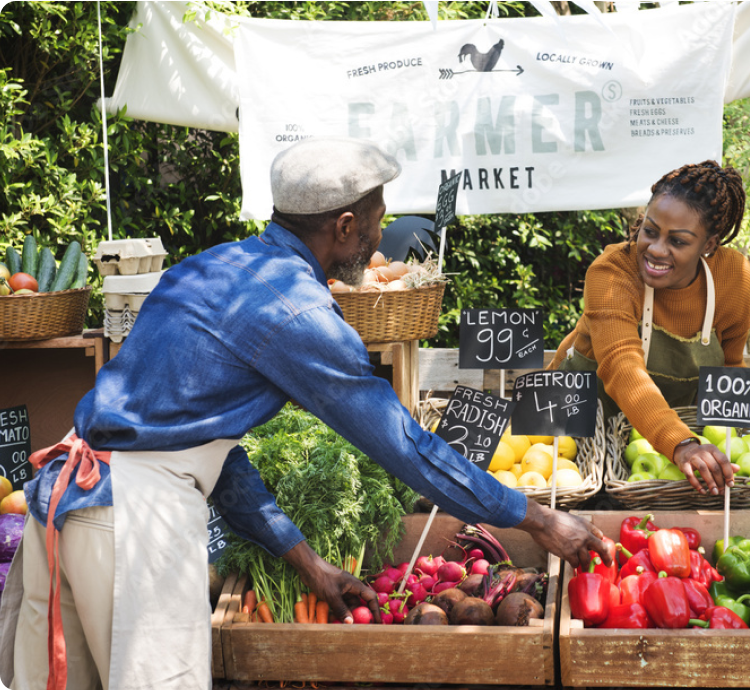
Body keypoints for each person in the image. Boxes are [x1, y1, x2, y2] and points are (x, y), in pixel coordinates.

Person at [0, 136, 613, 690]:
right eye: (377, 221)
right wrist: (535, 519)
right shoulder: (300, 315)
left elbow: (212, 453)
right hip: (131, 522)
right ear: (345, 225)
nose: (380, 236)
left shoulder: (210, 268)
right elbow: (404, 445)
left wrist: (308, 561)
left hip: (64, 504)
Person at [549, 160, 750, 497]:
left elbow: (729, 367)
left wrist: (740, 447)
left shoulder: (735, 277)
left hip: (654, 448)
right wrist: (682, 444)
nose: (656, 250)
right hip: (570, 435)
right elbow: (621, 366)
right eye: (650, 231)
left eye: (678, 241)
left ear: (709, 244)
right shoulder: (612, 272)